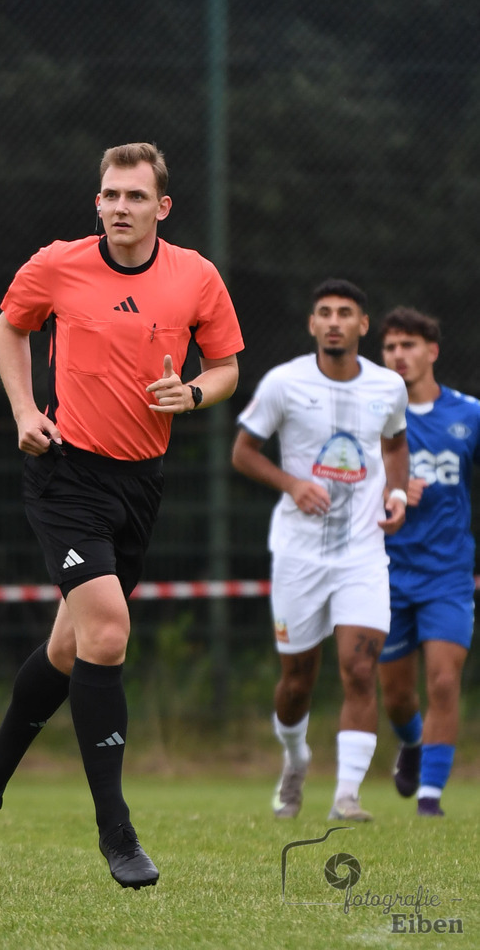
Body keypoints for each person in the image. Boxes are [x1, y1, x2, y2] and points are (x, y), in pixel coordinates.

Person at [0, 142, 244, 889]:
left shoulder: (196, 277)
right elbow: (9, 326)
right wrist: (24, 410)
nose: (120, 207)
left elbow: (225, 368)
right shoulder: (57, 263)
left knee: (67, 650)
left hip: (139, 483)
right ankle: (116, 833)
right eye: (110, 195)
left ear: (161, 207)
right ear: (98, 202)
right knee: (108, 632)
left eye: (134, 197)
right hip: (65, 472)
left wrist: (195, 394)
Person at [231, 279, 409, 822]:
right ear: (312, 325)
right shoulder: (284, 383)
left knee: (359, 671)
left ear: (362, 325)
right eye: (324, 313)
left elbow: (397, 443)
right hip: (299, 555)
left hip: (362, 553)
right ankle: (295, 758)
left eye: (345, 313)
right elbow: (243, 452)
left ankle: (346, 797)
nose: (334, 321)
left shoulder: (388, 386)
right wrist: (292, 485)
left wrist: (396, 492)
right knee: (297, 682)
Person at [379, 307, 479, 817]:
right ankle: (412, 744)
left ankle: (430, 799)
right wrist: (387, 486)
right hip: (386, 571)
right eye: (391, 347)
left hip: (448, 574)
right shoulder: (370, 416)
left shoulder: (468, 414)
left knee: (443, 680)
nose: (399, 355)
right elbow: (336, 478)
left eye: (409, 345)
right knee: (397, 695)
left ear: (432, 351)